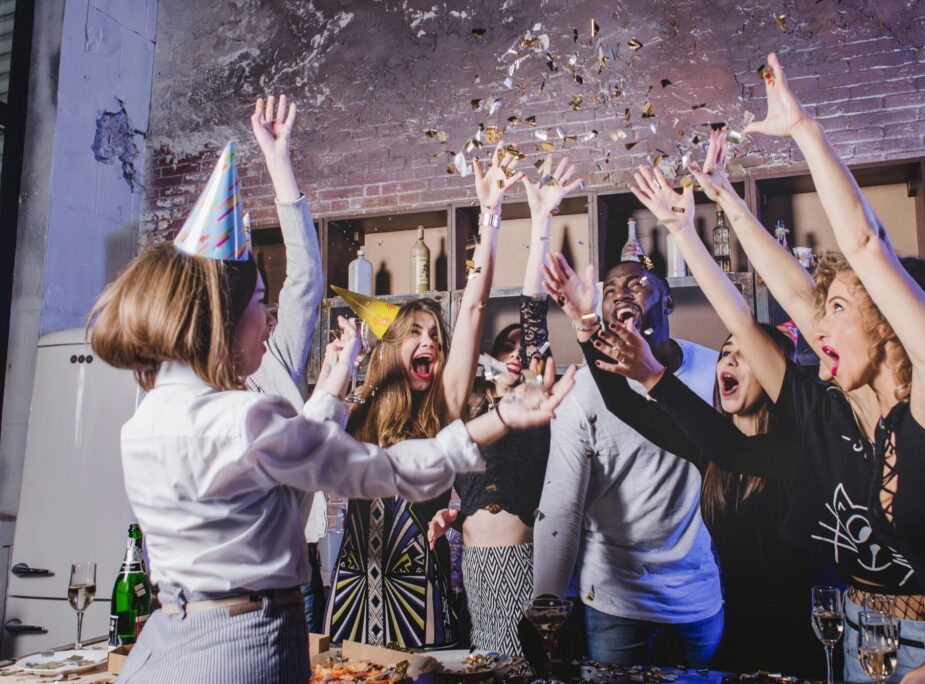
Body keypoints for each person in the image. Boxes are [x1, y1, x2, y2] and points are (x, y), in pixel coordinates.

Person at [87, 218, 573, 683]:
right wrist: (503, 417)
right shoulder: (247, 418)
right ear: (224, 318)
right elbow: (381, 470)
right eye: (261, 301)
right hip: (239, 648)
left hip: (166, 639)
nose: (271, 318)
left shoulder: (146, 421)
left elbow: (293, 457)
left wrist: (334, 382)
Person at [692, 52, 925, 681]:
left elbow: (865, 246)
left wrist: (805, 132)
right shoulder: (898, 428)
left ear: (892, 320)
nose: (817, 326)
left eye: (837, 307)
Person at [326, 142, 530, 648]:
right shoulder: (356, 412)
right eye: (416, 332)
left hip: (422, 597)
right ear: (393, 347)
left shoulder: (444, 408)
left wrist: (490, 214)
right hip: (351, 593)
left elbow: (476, 305)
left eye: (435, 336)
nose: (430, 343)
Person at [574, 306, 834, 678]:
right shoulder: (709, 450)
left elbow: (734, 451)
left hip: (802, 644)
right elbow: (622, 404)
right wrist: (586, 330)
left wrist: (654, 376)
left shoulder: (797, 448)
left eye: (745, 355)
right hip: (741, 640)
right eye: (726, 352)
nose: (730, 359)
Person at [534, 253, 723, 668]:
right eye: (610, 290)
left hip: (698, 598)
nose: (621, 293)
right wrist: (546, 606)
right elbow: (562, 503)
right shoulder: (583, 390)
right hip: (613, 601)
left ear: (668, 301)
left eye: (635, 284)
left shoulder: (714, 372)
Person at [427, 156, 583, 656]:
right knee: (480, 664)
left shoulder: (534, 406)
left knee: (527, 665)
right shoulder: (465, 408)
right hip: (472, 567)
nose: (519, 353)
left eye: (525, 350)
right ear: (491, 361)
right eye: (507, 349)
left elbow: (533, 310)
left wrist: (541, 220)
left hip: (523, 562)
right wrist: (448, 516)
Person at [243, 94, 328, 634]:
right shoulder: (185, 392)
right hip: (229, 591)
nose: (269, 314)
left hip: (296, 569)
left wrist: (280, 166)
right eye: (257, 302)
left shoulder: (273, 365)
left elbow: (305, 283)